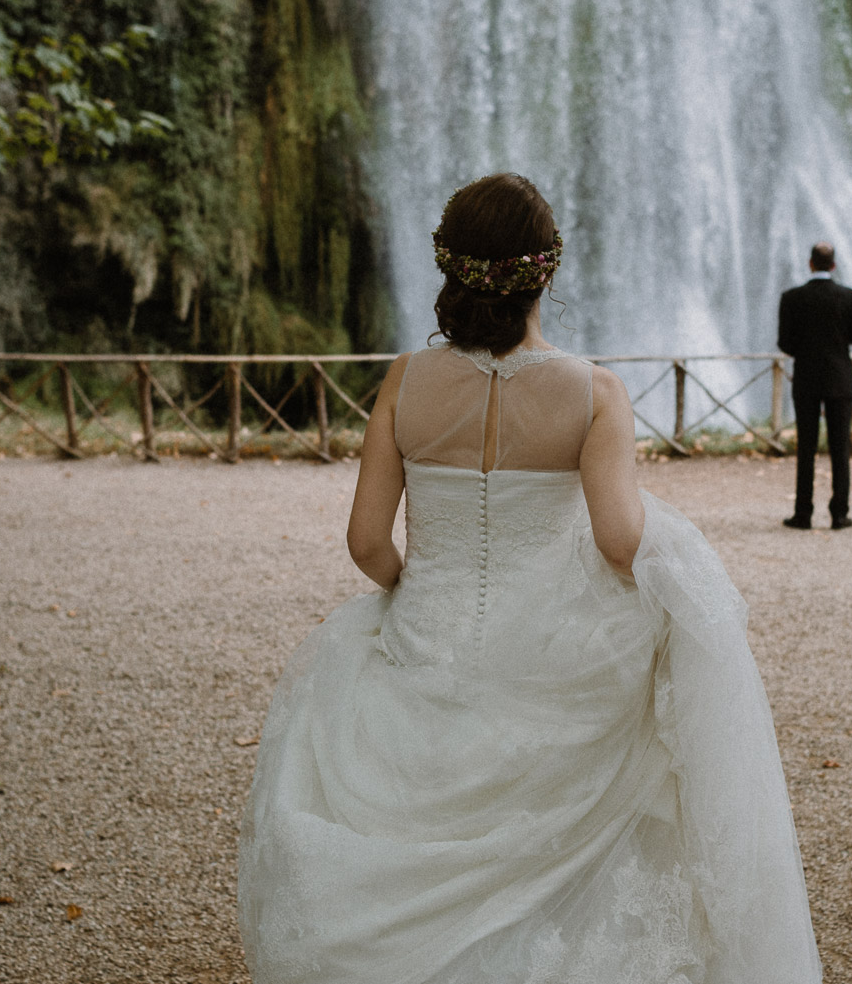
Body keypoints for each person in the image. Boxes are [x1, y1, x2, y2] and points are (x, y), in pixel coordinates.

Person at [238, 174, 821, 984]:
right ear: (546, 270)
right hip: (548, 652)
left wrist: (415, 585)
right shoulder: (594, 393)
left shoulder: (404, 382)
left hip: (428, 637)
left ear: (451, 268)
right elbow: (621, 540)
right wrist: (686, 561)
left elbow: (367, 541)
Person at [777, 241, 852, 530]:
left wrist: (806, 350)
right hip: (839, 380)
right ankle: (839, 514)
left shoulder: (792, 298)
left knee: (806, 448)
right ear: (833, 265)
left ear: (810, 264)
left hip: (805, 379)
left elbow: (784, 343)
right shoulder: (848, 296)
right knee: (840, 449)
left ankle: (802, 513)